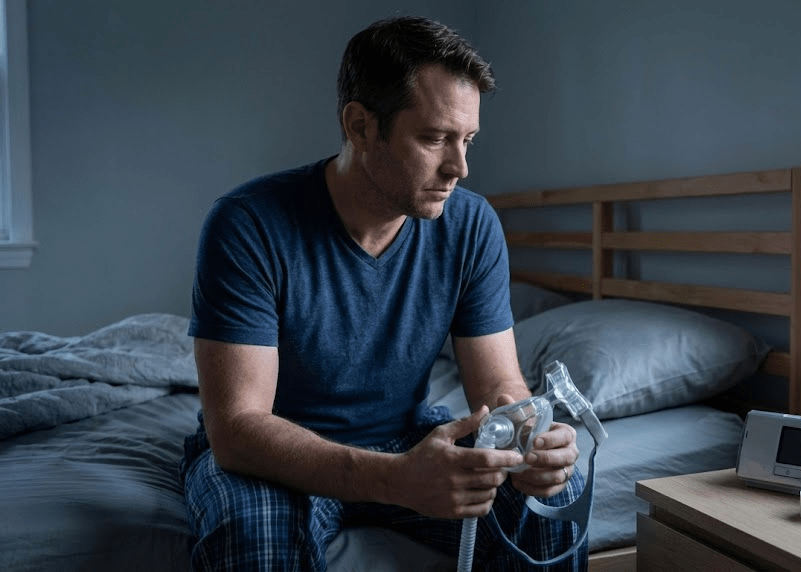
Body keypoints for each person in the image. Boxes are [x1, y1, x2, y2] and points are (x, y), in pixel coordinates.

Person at [179, 15, 587, 572]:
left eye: (467, 140)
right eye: (434, 138)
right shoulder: (249, 224)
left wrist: (531, 440)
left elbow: (497, 385)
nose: (459, 167)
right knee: (253, 537)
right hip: (276, 455)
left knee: (553, 500)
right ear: (360, 126)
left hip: (408, 438)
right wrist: (395, 481)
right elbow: (238, 431)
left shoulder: (472, 226)